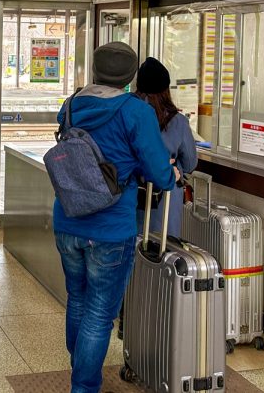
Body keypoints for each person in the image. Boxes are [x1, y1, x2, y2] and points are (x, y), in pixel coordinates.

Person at [52, 42, 177, 393]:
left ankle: (80, 368)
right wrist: (171, 177)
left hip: (67, 219)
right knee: (100, 313)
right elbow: (156, 170)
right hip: (110, 229)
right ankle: (84, 385)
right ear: (128, 76)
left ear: (95, 68)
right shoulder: (136, 112)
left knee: (77, 298)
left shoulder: (72, 104)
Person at [135, 57, 198, 237]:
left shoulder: (129, 112)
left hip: (131, 193)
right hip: (165, 198)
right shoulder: (177, 121)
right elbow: (190, 163)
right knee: (163, 252)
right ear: (165, 88)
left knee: (132, 251)